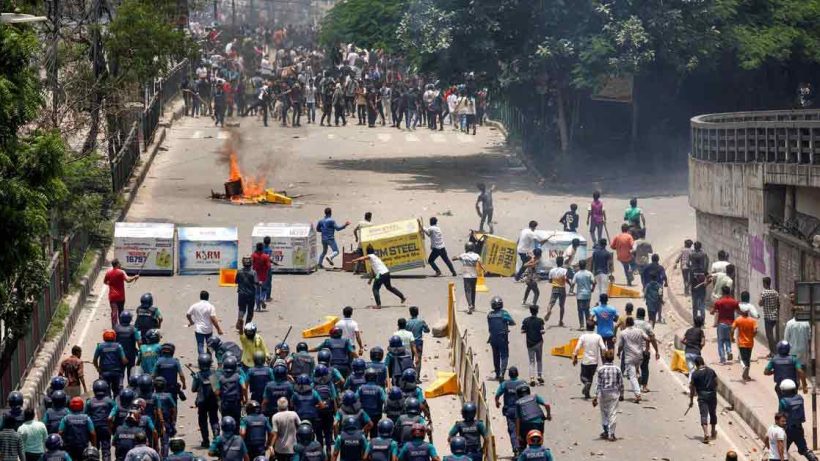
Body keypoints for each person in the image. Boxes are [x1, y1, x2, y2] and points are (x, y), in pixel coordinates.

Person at [778, 379, 819, 460]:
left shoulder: (783, 401)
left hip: (788, 430)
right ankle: (813, 458)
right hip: (799, 428)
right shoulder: (800, 398)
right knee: (804, 449)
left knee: (781, 451)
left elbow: (780, 417)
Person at [591, 350, 622, 441]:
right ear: (613, 358)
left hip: (603, 393)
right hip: (614, 393)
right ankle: (611, 434)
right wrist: (622, 394)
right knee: (612, 413)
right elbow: (620, 383)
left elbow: (598, 384)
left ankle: (605, 430)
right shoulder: (617, 369)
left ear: (604, 358)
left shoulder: (600, 369)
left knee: (604, 413)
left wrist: (595, 396)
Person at [494, 368, 525, 456]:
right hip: (522, 410)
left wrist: (497, 402)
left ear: (509, 375)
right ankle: (522, 449)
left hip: (510, 411)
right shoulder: (523, 383)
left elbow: (497, 395)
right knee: (522, 429)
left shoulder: (505, 384)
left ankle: (516, 448)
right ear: (517, 374)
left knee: (512, 431)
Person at [617, 317, 648, 403]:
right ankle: (638, 376)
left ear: (626, 323)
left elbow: (620, 346)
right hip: (639, 356)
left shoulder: (623, 333)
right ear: (633, 323)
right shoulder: (639, 331)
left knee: (632, 377)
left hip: (629, 357)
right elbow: (648, 338)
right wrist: (647, 348)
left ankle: (638, 394)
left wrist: (619, 353)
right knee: (636, 371)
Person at [191, 353, 219, 448]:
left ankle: (206, 441)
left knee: (202, 421)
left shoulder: (197, 375)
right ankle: (216, 438)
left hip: (201, 402)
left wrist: (195, 380)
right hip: (213, 401)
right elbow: (216, 389)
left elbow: (193, 389)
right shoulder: (213, 374)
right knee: (214, 419)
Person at [688, 356, 718, 444]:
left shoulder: (695, 374)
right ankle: (713, 431)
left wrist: (691, 400)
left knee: (703, 415)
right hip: (712, 395)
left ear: (696, 364)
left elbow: (692, 388)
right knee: (713, 413)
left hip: (702, 396)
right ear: (703, 362)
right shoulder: (711, 371)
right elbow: (716, 382)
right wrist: (714, 390)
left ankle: (706, 433)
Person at [573, 321, 605, 399]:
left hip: (586, 360)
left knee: (583, 377)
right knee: (590, 377)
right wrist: (603, 356)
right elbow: (603, 348)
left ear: (587, 327)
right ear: (594, 328)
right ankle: (587, 394)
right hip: (594, 361)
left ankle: (586, 383)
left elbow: (577, 348)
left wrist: (575, 357)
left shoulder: (583, 336)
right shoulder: (598, 336)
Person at [103, 259, 138, 328]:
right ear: (117, 264)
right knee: (121, 312)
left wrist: (111, 284)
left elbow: (105, 282)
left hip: (112, 296)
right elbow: (128, 280)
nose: (120, 265)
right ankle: (122, 326)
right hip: (121, 296)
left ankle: (114, 327)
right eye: (119, 264)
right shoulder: (122, 272)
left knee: (114, 312)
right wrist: (135, 277)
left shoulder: (108, 273)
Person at [487, 296, 516, 381]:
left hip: (493, 338)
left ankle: (497, 373)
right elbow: (512, 322)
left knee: (495, 356)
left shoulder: (489, 315)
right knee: (504, 355)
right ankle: (502, 374)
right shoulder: (504, 313)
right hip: (502, 338)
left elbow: (490, 327)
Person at [187, 291, 224, 355]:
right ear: (208, 297)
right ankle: (208, 359)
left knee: (200, 345)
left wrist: (191, 321)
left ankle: (202, 359)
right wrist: (218, 329)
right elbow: (213, 319)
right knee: (210, 345)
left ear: (200, 297)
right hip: (208, 329)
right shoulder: (210, 306)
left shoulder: (195, 305)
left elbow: (188, 314)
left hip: (198, 329)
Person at [93, 330, 127, 396]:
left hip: (104, 372)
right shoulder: (118, 346)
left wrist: (98, 368)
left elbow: (94, 360)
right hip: (116, 372)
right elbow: (124, 360)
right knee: (117, 392)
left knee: (105, 391)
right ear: (114, 337)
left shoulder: (100, 346)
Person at [452, 242, 484, 314]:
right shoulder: (476, 255)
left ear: (466, 248)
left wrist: (456, 257)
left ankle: (470, 305)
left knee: (467, 291)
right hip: (474, 275)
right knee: (473, 290)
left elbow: (453, 258)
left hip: (466, 276)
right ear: (473, 248)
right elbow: (481, 264)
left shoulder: (463, 255)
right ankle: (473, 305)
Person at [711, 285, 738, 364]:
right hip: (731, 324)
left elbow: (712, 312)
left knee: (720, 341)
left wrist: (714, 311)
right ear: (729, 292)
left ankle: (722, 358)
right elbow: (738, 310)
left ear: (722, 292)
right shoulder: (734, 301)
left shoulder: (719, 302)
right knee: (728, 339)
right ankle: (729, 351)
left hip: (721, 324)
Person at [217, 356, 248, 424]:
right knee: (237, 421)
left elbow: (217, 392)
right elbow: (244, 388)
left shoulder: (221, 378)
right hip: (236, 403)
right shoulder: (238, 377)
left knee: (225, 421)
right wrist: (245, 399)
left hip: (225, 403)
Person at [520, 305, 545, 386]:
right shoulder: (540, 320)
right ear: (537, 311)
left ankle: (531, 378)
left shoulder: (526, 320)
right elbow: (542, 331)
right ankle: (539, 375)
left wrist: (527, 330)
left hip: (530, 343)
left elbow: (522, 330)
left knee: (531, 361)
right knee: (539, 359)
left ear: (530, 311)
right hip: (539, 342)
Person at [732, 307, 758, 381]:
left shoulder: (738, 319)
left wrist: (731, 337)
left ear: (741, 312)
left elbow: (732, 328)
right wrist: (752, 336)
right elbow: (755, 330)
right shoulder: (753, 320)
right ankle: (746, 375)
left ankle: (744, 367)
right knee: (748, 359)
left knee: (742, 358)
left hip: (741, 343)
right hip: (750, 343)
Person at [759, 277, 781, 356]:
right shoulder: (775, 292)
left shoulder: (764, 293)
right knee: (770, 335)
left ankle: (774, 352)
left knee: (769, 336)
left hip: (767, 317)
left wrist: (761, 301)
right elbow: (778, 304)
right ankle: (772, 352)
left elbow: (760, 304)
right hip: (774, 317)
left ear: (765, 283)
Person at [235, 257, 259, 331]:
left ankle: (240, 319)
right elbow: (256, 282)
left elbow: (236, 281)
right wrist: (259, 283)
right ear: (251, 263)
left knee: (241, 309)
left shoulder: (239, 272)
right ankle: (247, 326)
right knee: (250, 311)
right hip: (251, 294)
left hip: (241, 294)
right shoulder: (253, 272)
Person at [688, 241, 710, 320]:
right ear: (700, 247)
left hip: (694, 277)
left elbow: (689, 265)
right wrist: (705, 272)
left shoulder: (691, 254)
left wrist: (689, 281)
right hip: (702, 277)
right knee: (702, 301)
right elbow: (707, 263)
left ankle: (695, 319)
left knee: (694, 301)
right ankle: (702, 319)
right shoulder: (704, 254)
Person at [544, 256, 568, 326]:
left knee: (551, 303)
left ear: (556, 262)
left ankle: (549, 311)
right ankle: (560, 321)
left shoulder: (552, 270)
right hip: (562, 288)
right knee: (562, 306)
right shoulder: (564, 270)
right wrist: (570, 284)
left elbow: (550, 280)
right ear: (562, 262)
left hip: (555, 287)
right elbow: (566, 279)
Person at [406, 306, 430, 372]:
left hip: (410, 343)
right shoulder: (421, 321)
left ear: (410, 313)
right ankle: (417, 377)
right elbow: (427, 330)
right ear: (418, 313)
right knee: (418, 359)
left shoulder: (407, 322)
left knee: (410, 359)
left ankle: (410, 374)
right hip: (418, 343)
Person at [251, 243, 272, 311]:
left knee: (256, 292)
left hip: (255, 276)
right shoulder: (266, 256)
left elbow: (250, 264)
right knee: (264, 289)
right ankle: (262, 298)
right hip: (264, 276)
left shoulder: (253, 255)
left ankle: (257, 307)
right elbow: (269, 266)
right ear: (262, 248)